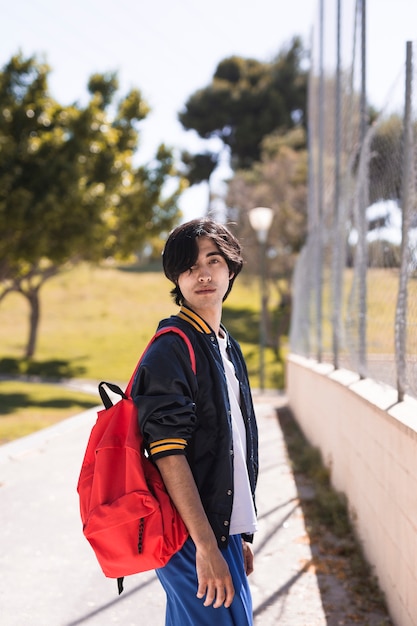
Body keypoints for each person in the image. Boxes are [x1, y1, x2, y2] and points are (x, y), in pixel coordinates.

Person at [132, 218, 259, 626]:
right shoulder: (172, 348)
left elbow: (233, 444)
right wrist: (206, 546)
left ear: (231, 268)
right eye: (189, 266)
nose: (203, 274)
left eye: (214, 260)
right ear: (176, 277)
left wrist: (239, 532)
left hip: (222, 532)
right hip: (188, 535)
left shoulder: (224, 344)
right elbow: (168, 453)